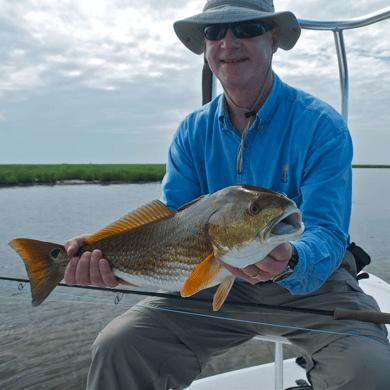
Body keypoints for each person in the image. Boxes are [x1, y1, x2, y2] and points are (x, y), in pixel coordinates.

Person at [64, 1, 390, 389]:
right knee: (118, 347)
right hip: (210, 281)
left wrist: (290, 260)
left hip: (311, 286)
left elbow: (327, 230)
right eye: (214, 32)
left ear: (272, 37)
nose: (227, 42)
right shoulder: (191, 132)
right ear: (205, 46)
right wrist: (105, 255)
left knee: (368, 369)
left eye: (246, 27)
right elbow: (169, 223)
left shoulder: (322, 127)